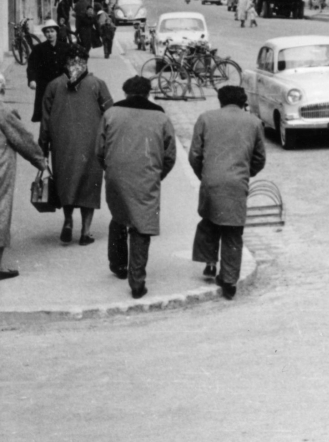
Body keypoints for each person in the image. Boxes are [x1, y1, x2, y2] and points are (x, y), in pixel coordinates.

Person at [97, 76, 176, 298]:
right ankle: (137, 282)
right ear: (148, 93)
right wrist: (157, 176)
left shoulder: (111, 114)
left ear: (125, 93)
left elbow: (99, 150)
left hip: (116, 175)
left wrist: (110, 170)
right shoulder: (161, 117)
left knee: (120, 215)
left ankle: (118, 265)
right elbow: (169, 155)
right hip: (146, 177)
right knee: (142, 225)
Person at [189, 86, 266, 300]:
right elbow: (260, 158)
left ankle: (210, 263)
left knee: (209, 221)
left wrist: (205, 176)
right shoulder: (254, 122)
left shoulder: (205, 118)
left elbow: (194, 155)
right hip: (236, 183)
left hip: (210, 180)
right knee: (233, 232)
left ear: (220, 100)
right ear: (243, 102)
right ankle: (229, 282)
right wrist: (244, 174)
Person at [39, 45, 114, 246]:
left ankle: (68, 221)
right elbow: (111, 116)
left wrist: (43, 148)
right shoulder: (97, 84)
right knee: (89, 186)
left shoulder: (53, 86)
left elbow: (45, 122)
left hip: (62, 146)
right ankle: (86, 232)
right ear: (86, 61)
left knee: (67, 183)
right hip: (92, 146)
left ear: (66, 62)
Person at [0, 73, 49, 280]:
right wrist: (41, 161)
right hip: (1, 167)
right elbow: (22, 139)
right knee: (1, 209)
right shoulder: (2, 110)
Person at [26, 19, 67, 123]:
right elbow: (32, 66)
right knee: (45, 116)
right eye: (47, 32)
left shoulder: (65, 48)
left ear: (57, 32)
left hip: (61, 87)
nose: (50, 34)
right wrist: (32, 80)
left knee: (61, 116)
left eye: (52, 31)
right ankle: (44, 138)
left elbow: (72, 65)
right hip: (44, 86)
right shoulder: (38, 49)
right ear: (44, 33)